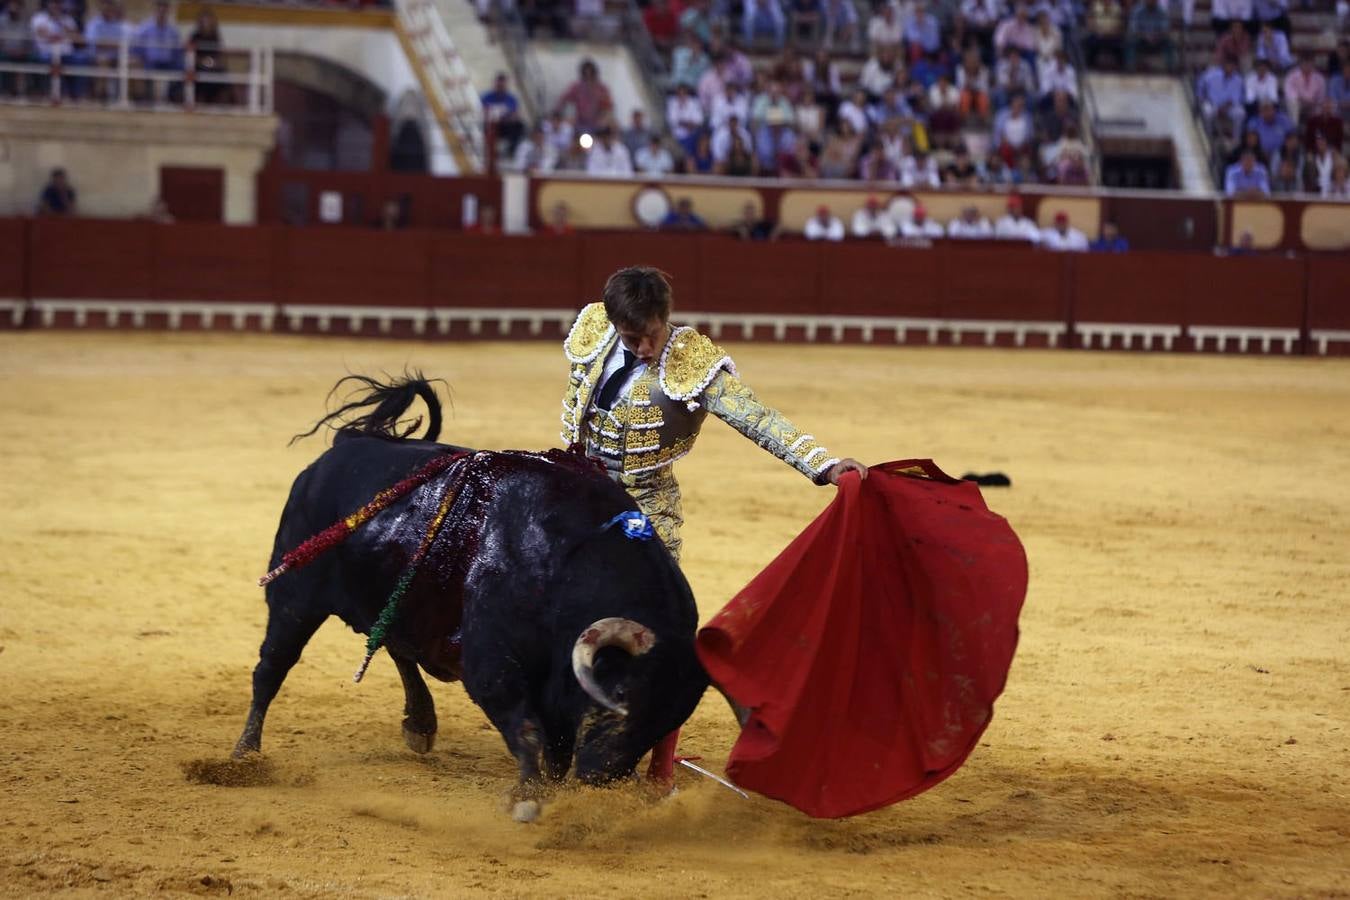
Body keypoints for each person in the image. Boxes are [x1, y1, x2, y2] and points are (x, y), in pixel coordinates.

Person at [559, 268, 867, 784]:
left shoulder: (692, 364)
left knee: (655, 631)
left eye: (652, 335)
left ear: (667, 320)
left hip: (644, 510)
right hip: (580, 497)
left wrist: (823, 464)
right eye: (633, 339)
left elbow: (758, 418)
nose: (643, 349)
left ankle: (658, 767)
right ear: (612, 324)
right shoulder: (594, 329)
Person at [481, 72, 525, 154]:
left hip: (505, 125)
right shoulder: (486, 97)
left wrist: (508, 117)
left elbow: (515, 113)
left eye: (502, 85)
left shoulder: (511, 99)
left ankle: (511, 150)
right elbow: (483, 111)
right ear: (495, 84)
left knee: (520, 125)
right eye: (499, 85)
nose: (500, 87)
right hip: (489, 124)